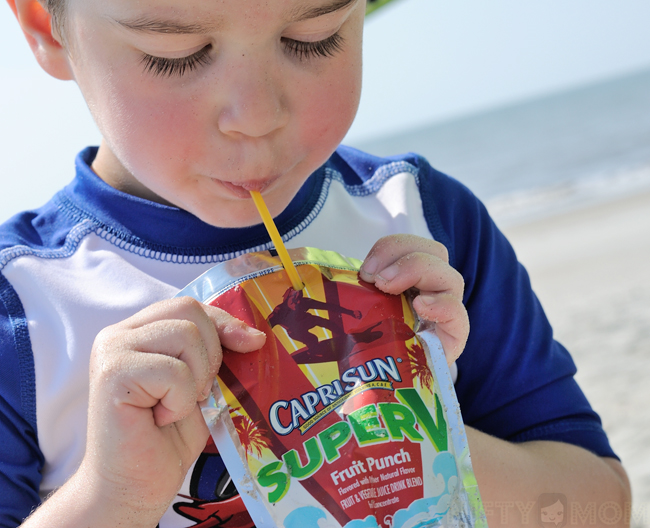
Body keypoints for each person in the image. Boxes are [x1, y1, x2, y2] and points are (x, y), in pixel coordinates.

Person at [0, 0, 630, 526]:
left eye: (314, 38)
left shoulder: (418, 220)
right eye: (177, 54)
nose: (257, 117)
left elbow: (600, 504)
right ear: (43, 25)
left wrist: (417, 417)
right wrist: (113, 495)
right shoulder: (25, 308)